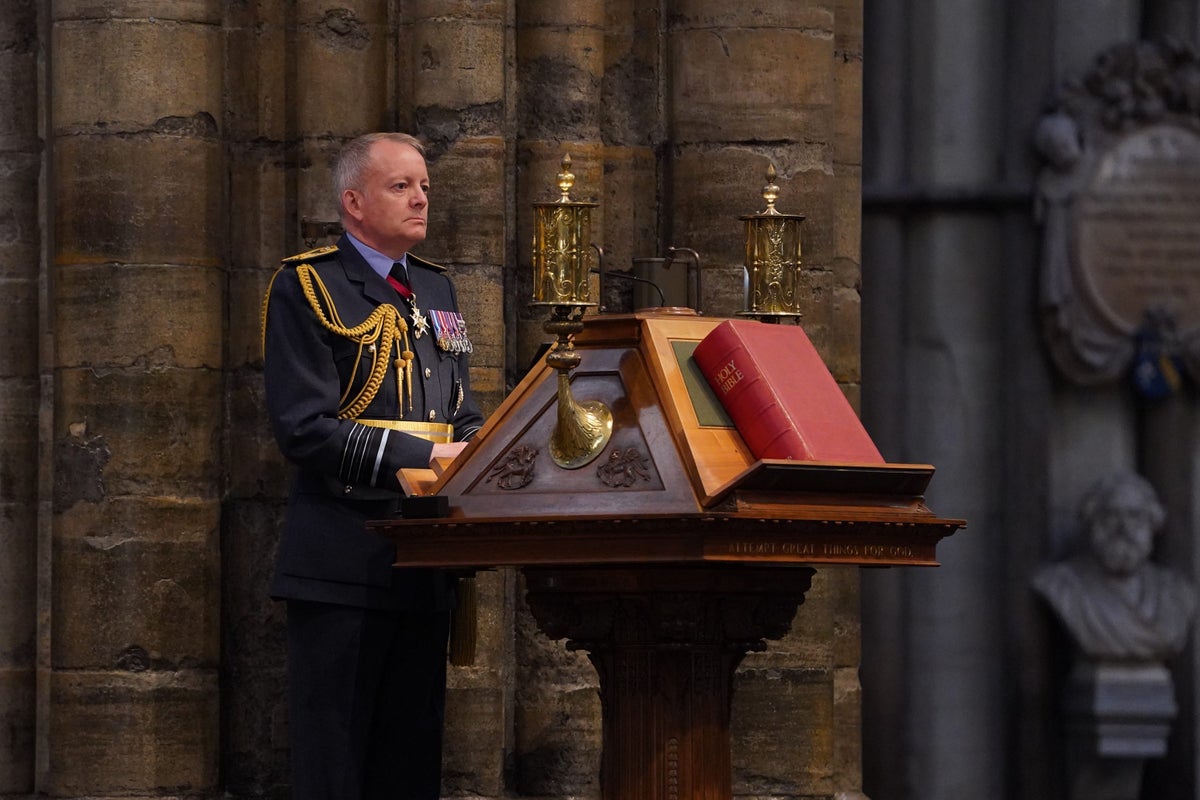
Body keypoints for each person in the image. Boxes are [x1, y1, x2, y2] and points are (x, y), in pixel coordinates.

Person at [261, 131, 484, 799]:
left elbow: (460, 411)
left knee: (409, 767)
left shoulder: (436, 288)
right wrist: (431, 456)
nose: (420, 199)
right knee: (337, 767)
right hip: (344, 558)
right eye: (401, 186)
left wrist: (490, 451)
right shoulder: (310, 285)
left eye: (424, 187)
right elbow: (305, 429)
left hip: (424, 557)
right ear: (354, 202)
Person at [1032, 472, 1196, 662]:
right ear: (1092, 522)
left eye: (1134, 516)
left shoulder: (1177, 592)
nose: (1123, 527)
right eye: (1110, 515)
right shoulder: (1062, 584)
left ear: (1153, 524)